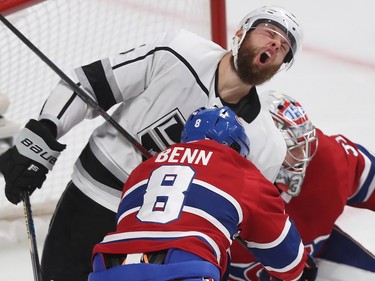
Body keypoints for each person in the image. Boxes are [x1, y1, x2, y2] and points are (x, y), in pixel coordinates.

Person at [0, 6, 304, 281]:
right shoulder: (179, 52)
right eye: (269, 32)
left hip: (172, 238)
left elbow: (246, 219)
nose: (276, 44)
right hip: (93, 199)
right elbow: (91, 85)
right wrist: (44, 130)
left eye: (285, 46)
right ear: (240, 33)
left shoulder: (266, 143)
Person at [88, 106, 317, 281]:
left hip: (109, 265)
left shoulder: (140, 171)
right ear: (237, 148)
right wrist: (302, 269)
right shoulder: (240, 171)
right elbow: (284, 255)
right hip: (183, 264)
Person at [228, 90, 375, 281]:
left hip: (312, 263)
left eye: (305, 143)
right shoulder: (217, 186)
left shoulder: (326, 160)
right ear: (260, 145)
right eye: (292, 147)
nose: (303, 157)